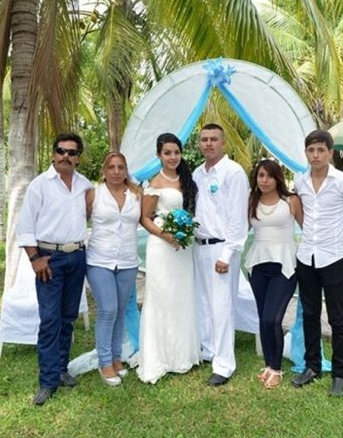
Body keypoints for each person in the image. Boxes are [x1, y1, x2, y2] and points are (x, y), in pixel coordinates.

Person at [16, 132, 93, 406]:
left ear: (78, 158)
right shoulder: (40, 185)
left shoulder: (85, 185)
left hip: (77, 257)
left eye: (72, 152)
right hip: (49, 258)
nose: (65, 156)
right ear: (53, 154)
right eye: (61, 151)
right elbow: (24, 226)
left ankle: (61, 369)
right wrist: (35, 258)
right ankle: (47, 381)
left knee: (67, 317)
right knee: (50, 320)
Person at [291, 129, 343, 397]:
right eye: (311, 150)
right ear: (306, 153)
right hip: (306, 258)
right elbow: (302, 215)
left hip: (334, 258)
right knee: (309, 314)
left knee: (337, 318)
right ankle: (312, 366)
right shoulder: (300, 182)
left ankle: (340, 375)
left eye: (321, 150)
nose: (316, 155)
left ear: (330, 153)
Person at [137, 133, 200, 383]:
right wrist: (166, 235)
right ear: (159, 155)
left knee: (182, 296)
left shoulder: (186, 179)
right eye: (167, 153)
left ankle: (182, 355)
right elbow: (144, 218)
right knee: (162, 296)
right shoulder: (155, 182)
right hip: (162, 248)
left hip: (183, 249)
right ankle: (159, 357)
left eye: (176, 152)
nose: (173, 157)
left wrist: (183, 233)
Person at [193, 123, 249, 386]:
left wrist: (227, 254)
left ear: (223, 143)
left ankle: (224, 364)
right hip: (199, 246)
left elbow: (238, 218)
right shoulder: (197, 174)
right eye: (204, 139)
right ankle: (209, 349)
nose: (208, 144)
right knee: (203, 302)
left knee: (222, 306)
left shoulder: (233, 172)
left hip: (222, 247)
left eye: (214, 139)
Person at [244, 159, 302, 389]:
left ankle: (276, 369)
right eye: (260, 176)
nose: (264, 180)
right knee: (263, 318)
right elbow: (239, 230)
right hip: (258, 265)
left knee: (272, 318)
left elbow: (309, 228)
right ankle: (269, 365)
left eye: (269, 176)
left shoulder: (291, 201)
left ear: (277, 178)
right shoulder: (251, 201)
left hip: (285, 266)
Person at [86, 152, 142, 387]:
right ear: (105, 170)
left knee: (119, 310)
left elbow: (147, 219)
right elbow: (79, 220)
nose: (116, 172)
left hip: (128, 261)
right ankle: (105, 361)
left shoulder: (136, 195)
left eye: (121, 167)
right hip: (99, 260)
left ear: (126, 170)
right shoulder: (94, 194)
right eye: (112, 167)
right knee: (107, 309)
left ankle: (117, 358)